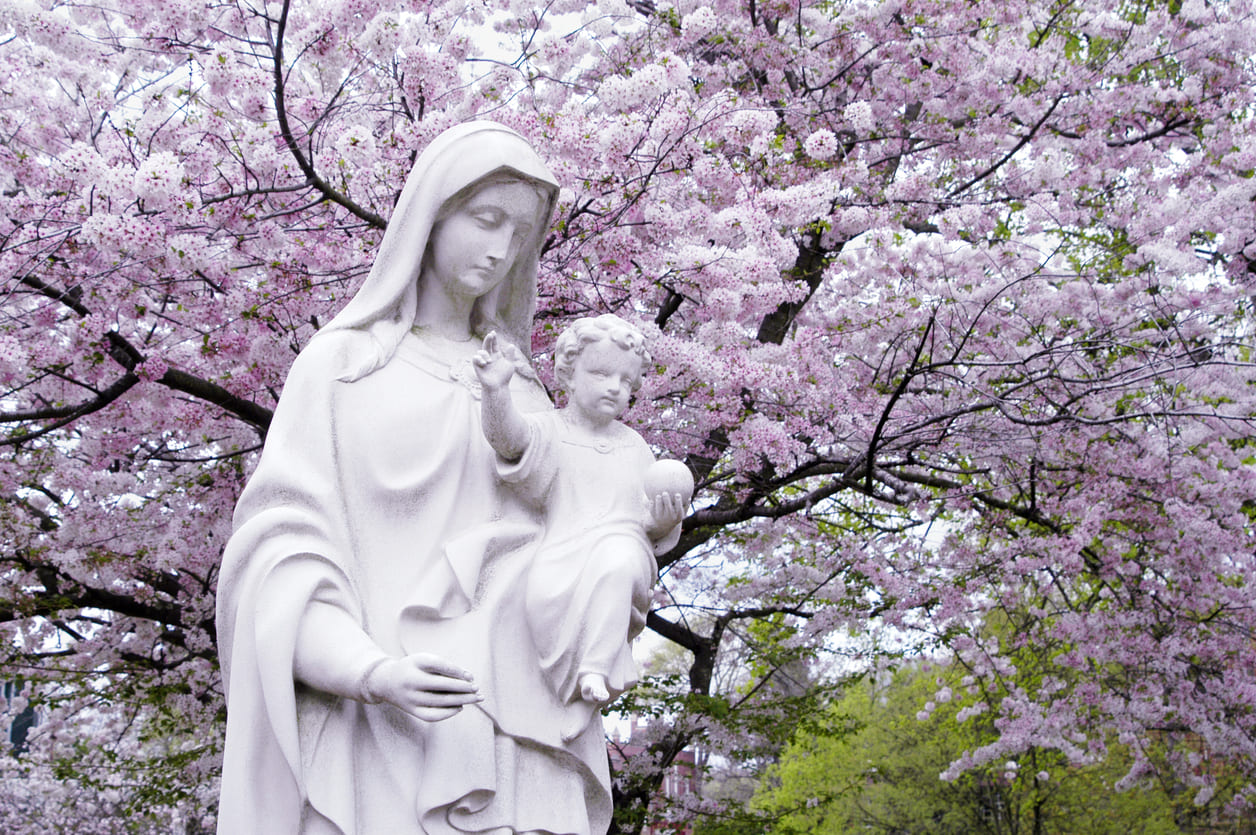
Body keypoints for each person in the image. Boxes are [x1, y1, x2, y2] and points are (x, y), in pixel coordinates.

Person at [215, 122, 613, 835]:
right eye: (485, 219)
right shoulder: (342, 367)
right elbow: (276, 565)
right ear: (430, 214)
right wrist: (369, 670)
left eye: (519, 234)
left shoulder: (518, 383)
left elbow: (580, 530)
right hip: (376, 726)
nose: (499, 250)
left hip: (513, 727)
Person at [470, 315, 690, 741]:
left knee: (619, 562)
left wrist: (664, 522)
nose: (614, 387)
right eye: (601, 373)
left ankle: (594, 671)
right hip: (562, 557)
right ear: (568, 374)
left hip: (624, 549)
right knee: (571, 582)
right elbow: (509, 439)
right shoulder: (552, 430)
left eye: (626, 382)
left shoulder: (635, 446)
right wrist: (496, 390)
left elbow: (650, 524)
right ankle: (572, 685)